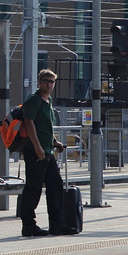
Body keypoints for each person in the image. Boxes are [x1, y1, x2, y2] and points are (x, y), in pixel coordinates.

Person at [19, 69, 79, 237]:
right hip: (35, 151)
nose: (49, 84)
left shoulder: (48, 101)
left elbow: (45, 126)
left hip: (47, 151)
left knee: (55, 185)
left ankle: (57, 224)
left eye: (52, 81)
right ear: (39, 82)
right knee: (33, 188)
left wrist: (54, 142)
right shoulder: (33, 100)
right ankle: (28, 225)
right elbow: (29, 123)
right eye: (46, 81)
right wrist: (37, 147)